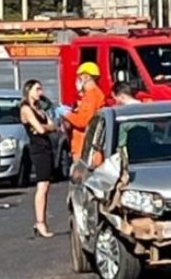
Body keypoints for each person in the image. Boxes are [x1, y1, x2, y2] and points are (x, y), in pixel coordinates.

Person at [20, 79, 58, 238]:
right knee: (42, 186)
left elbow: (53, 125)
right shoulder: (26, 109)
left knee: (46, 185)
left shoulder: (39, 108)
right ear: (28, 91)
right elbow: (40, 129)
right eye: (37, 89)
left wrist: (47, 127)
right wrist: (46, 128)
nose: (40, 93)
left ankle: (41, 221)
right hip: (38, 149)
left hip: (46, 147)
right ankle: (40, 222)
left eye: (41, 89)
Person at [64, 62, 106, 161]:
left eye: (79, 77)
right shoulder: (94, 94)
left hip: (84, 146)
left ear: (86, 77)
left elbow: (83, 121)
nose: (78, 79)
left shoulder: (91, 96)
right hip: (88, 145)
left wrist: (66, 114)